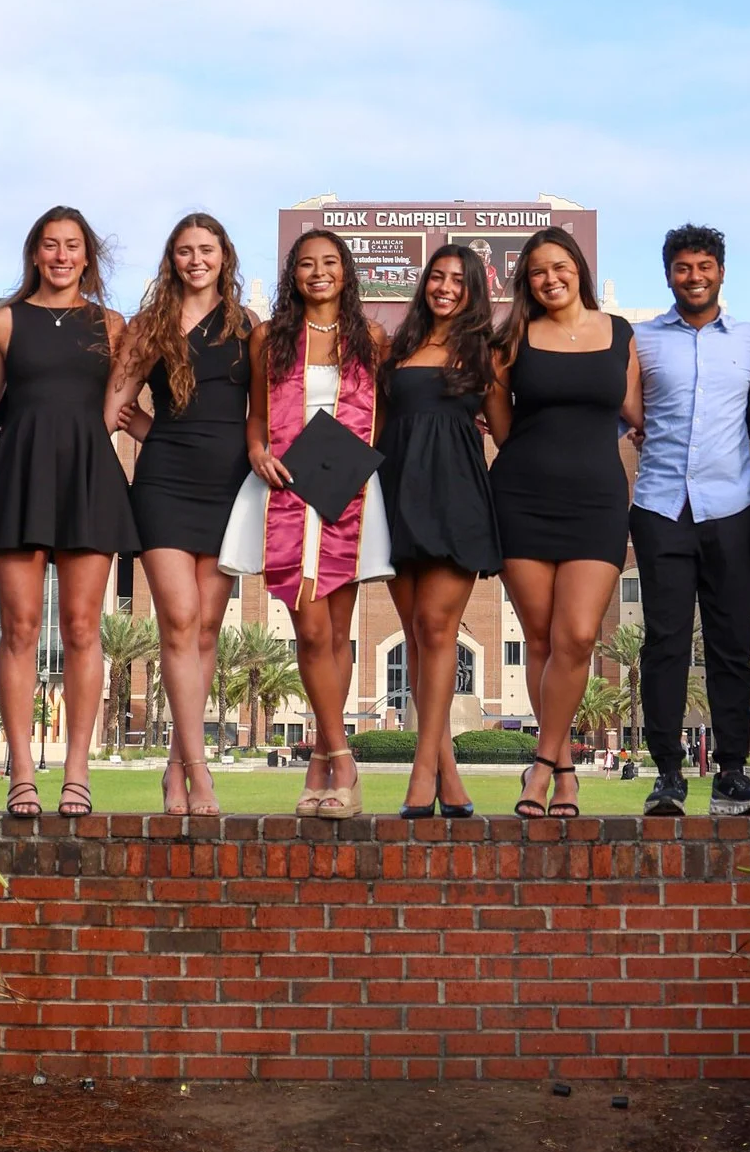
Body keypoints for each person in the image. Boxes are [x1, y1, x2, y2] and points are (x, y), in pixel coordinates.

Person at [0, 206, 137, 818]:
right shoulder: (3, 323)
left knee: (85, 629)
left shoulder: (113, 326)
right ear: (35, 253)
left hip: (89, 481)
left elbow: (127, 408)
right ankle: (22, 773)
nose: (61, 256)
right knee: (19, 630)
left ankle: (78, 772)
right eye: (50, 246)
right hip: (19, 479)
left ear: (88, 256)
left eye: (73, 247)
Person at [486, 224, 641, 819]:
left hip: (597, 500)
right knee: (543, 639)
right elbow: (502, 428)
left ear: (578, 269)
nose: (550, 279)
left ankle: (543, 764)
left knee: (578, 635)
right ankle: (566, 772)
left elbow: (634, 410)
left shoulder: (620, 334)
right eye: (537, 273)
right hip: (523, 497)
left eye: (559, 267)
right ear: (527, 283)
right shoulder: (512, 339)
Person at [108, 213, 254, 822]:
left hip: (229, 489)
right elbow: (116, 406)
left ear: (225, 257)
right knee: (179, 620)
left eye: (207, 250)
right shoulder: (149, 327)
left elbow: (267, 410)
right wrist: (158, 434)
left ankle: (176, 763)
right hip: (165, 486)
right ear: (172, 259)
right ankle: (199, 770)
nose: (196, 260)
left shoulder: (251, 329)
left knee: (206, 632)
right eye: (185, 251)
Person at [630, 221, 750, 820]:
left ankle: (732, 777)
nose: (694, 277)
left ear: (721, 271)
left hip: (731, 507)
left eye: (704, 266)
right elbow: (623, 410)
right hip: (661, 505)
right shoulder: (641, 341)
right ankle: (666, 776)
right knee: (664, 642)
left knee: (732, 645)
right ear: (669, 274)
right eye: (683, 268)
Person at [243, 225, 388, 820]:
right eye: (306, 263)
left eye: (330, 262)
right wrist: (256, 450)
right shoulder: (269, 338)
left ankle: (321, 763)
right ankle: (341, 756)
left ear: (346, 272)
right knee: (308, 630)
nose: (318, 272)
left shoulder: (370, 338)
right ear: (292, 275)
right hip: (287, 488)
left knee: (336, 632)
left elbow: (387, 411)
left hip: (348, 490)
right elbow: (255, 415)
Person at [377, 241, 502, 821]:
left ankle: (421, 773)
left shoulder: (489, 353)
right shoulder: (395, 348)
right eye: (437, 277)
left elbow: (506, 431)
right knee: (415, 635)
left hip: (456, 497)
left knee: (436, 629)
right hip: (397, 494)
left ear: (475, 289)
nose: (445, 286)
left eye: (458, 279)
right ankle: (448, 773)